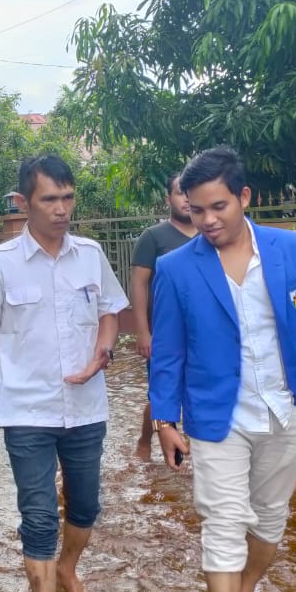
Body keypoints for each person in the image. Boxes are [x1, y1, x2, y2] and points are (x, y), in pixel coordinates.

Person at [149, 146, 296, 592]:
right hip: (215, 417)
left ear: (244, 197)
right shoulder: (175, 269)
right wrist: (165, 420)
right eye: (196, 209)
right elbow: (168, 354)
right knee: (224, 522)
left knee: (270, 515)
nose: (206, 220)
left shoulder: (290, 250)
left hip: (288, 409)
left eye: (218, 207)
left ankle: (247, 591)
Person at [0, 155, 128, 592]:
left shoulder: (91, 254)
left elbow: (110, 313)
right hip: (26, 411)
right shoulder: (0, 263)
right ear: (23, 202)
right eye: (49, 199)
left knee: (86, 505)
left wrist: (104, 350)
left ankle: (68, 567)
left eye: (68, 198)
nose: (61, 209)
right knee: (38, 515)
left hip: (86, 406)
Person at [130, 174, 197, 459]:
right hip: (165, 332)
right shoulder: (154, 237)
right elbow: (139, 284)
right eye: (180, 193)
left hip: (200, 332)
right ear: (168, 198)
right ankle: (145, 440)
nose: (186, 199)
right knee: (159, 392)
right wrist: (143, 332)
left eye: (190, 193)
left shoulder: (211, 234)